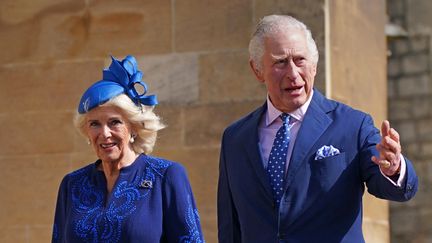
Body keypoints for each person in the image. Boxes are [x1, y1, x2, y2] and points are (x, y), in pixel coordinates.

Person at [217, 15, 418, 243]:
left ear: (314, 65)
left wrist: (393, 169)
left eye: (300, 60)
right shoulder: (235, 138)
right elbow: (230, 226)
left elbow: (395, 189)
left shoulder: (352, 125)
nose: (293, 73)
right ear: (257, 70)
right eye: (281, 62)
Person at [52, 55, 204, 243]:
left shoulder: (165, 176)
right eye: (94, 124)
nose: (105, 133)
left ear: (133, 127)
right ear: (87, 132)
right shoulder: (72, 184)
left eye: (114, 122)